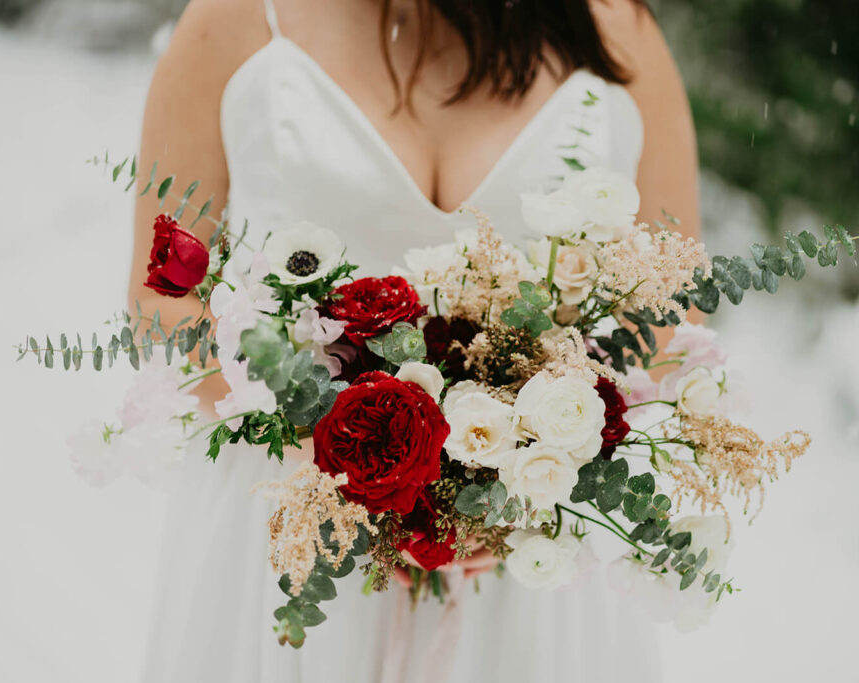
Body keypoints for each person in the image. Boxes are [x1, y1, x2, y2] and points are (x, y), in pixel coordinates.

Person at [132, 1, 698, 681]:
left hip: (528, 554)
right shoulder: (238, 19)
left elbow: (666, 315)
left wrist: (517, 464)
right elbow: (160, 303)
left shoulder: (613, 29)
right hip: (292, 533)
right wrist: (347, 454)